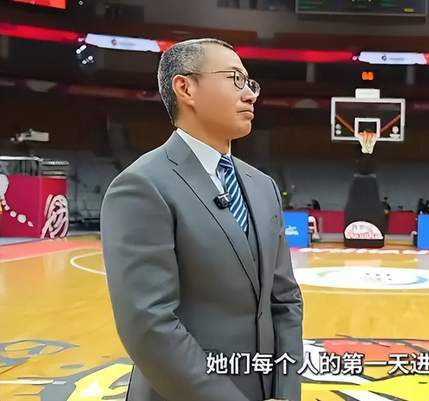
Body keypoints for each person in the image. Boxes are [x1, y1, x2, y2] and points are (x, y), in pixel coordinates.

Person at [101, 38, 303, 401]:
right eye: (235, 79)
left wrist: (287, 393)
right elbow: (149, 326)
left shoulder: (263, 186)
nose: (250, 95)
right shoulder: (142, 185)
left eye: (250, 83)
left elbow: (285, 300)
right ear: (186, 88)